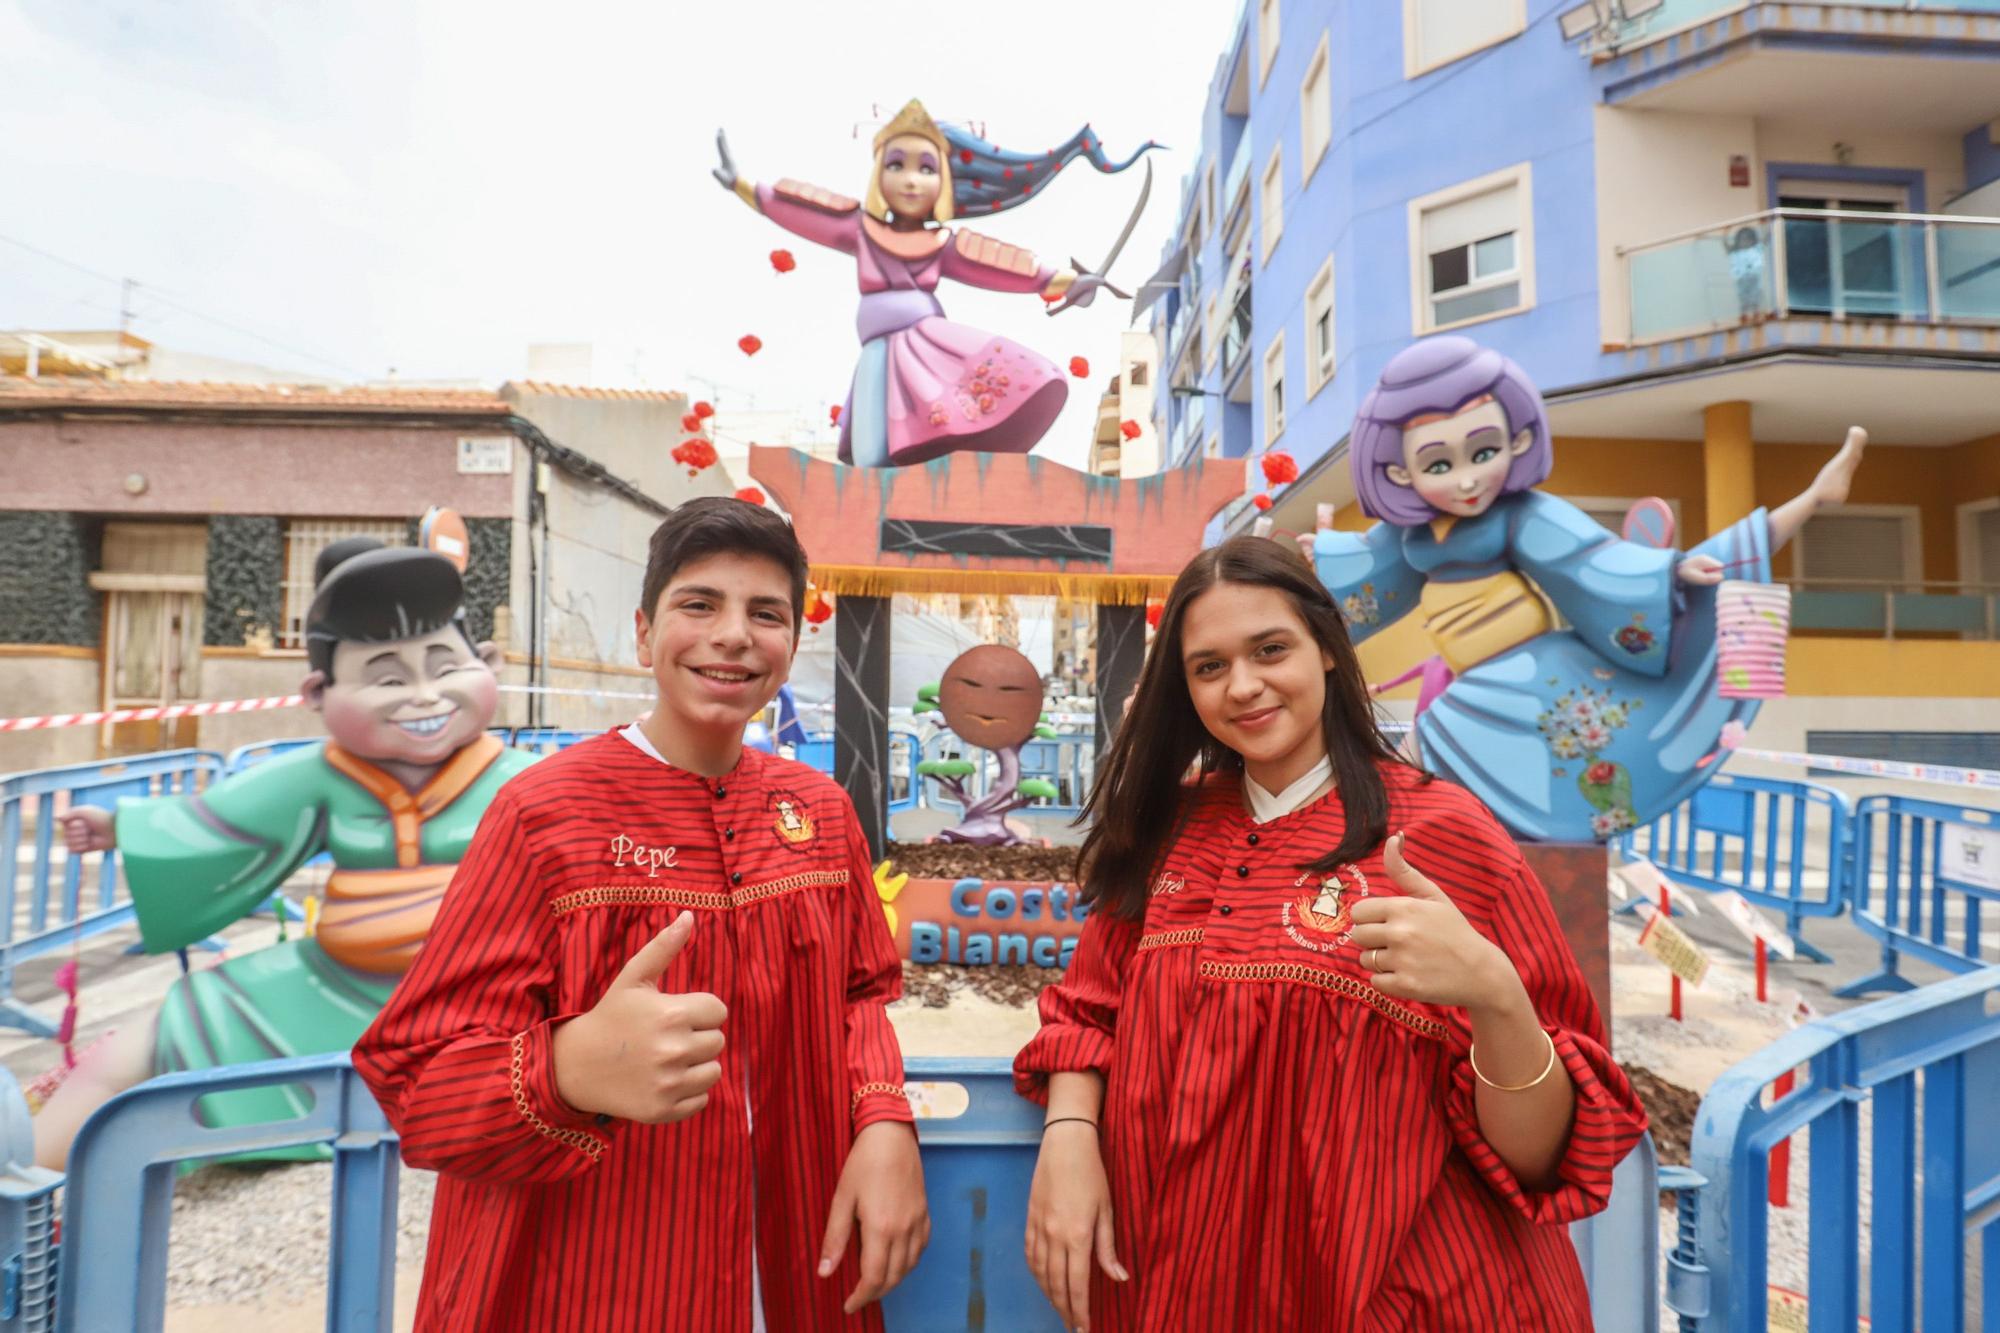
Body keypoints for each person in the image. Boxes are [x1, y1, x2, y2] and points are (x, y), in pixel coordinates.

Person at [1016, 536, 1646, 1331]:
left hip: (1404, 1295)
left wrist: (1495, 995)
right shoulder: (1166, 829)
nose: (1243, 686)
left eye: (1270, 649)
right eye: (1209, 666)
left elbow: (1546, 1154)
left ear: (1328, 650)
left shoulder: (1446, 834)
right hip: (1179, 1281)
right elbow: (1089, 1010)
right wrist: (1070, 1140)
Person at [355, 498, 928, 1331]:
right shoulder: (544, 813)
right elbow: (413, 1078)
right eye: (699, 604)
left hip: (802, 1264)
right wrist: (567, 1069)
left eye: (765, 613)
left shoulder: (821, 809)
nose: (733, 634)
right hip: (588, 1280)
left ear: (791, 646)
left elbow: (859, 995)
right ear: (642, 632)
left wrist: (884, 1121)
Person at [38, 539, 533, 1169]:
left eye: (445, 668)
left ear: (486, 662)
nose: (424, 696)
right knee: (154, 1037)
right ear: (318, 694)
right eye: (385, 678)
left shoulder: (522, 777)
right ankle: (34, 1203)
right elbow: (215, 824)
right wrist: (120, 827)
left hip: (487, 998)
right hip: (335, 984)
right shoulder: (324, 774)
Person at [1314, 334, 1866, 841]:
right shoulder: (1408, 538)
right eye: (1439, 462)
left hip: (1528, 672)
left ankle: (1814, 497)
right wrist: (1315, 561)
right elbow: (1355, 582)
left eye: (1483, 453)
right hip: (1477, 683)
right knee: (1425, 773)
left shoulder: (1522, 515)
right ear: (1400, 473)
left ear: (1519, 438)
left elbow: (1593, 560)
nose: (1465, 479)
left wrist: (1670, 571)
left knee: (1429, 763)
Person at [712, 98, 1153, 466]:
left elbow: (1002, 266)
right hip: (878, 349)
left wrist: (1064, 281)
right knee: (872, 451)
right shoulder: (857, 227)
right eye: (897, 164)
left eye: (925, 168)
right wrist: (744, 187)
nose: (909, 179)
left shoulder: (943, 243)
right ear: (877, 175)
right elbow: (807, 215)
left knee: (920, 429)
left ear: (943, 181)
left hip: (927, 344)